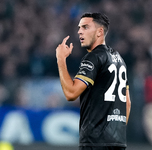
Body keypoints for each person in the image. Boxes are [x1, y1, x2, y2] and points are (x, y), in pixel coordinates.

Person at [56, 12, 131, 150]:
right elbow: (127, 103)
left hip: (95, 142)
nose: (79, 31)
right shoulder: (120, 60)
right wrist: (115, 132)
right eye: (79, 28)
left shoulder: (94, 57)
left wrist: (61, 59)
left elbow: (71, 93)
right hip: (117, 142)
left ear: (99, 32)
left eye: (85, 27)